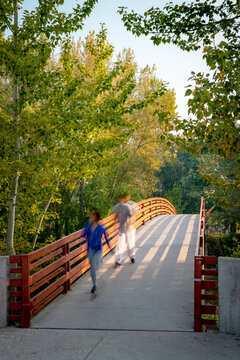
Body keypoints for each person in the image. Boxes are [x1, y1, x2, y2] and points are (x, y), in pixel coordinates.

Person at [83, 210, 112, 294]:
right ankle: (94, 285)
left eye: (93, 215)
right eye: (91, 214)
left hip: (98, 250)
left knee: (96, 267)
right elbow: (84, 235)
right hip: (90, 249)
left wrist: (111, 249)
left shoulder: (101, 228)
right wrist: (87, 228)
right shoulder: (88, 225)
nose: (91, 216)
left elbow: (107, 238)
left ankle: (99, 260)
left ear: (97, 217)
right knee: (93, 268)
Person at [113, 193, 135, 267]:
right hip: (122, 228)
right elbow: (115, 216)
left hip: (130, 228)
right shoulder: (117, 207)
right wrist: (115, 223)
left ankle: (132, 257)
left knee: (130, 244)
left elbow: (132, 216)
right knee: (121, 244)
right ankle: (118, 261)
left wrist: (130, 222)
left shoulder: (127, 207)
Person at [126, 195, 139, 264]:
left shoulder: (132, 204)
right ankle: (129, 256)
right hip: (123, 227)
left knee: (131, 242)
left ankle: (132, 257)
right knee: (127, 243)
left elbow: (136, 215)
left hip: (131, 227)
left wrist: (132, 221)